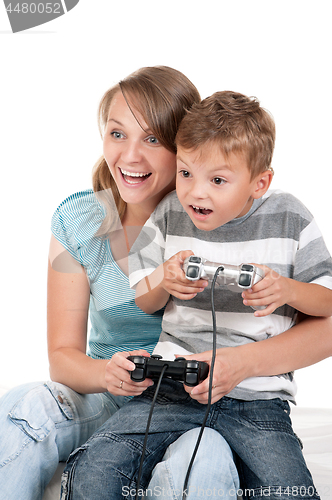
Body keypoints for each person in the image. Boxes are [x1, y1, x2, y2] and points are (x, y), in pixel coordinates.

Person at [60, 90, 332, 500]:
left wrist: (287, 290)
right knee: (95, 468)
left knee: (289, 490)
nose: (195, 193)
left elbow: (327, 302)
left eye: (217, 180)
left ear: (261, 182)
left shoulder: (290, 217)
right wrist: (163, 282)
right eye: (186, 173)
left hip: (256, 401)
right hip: (170, 389)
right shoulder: (170, 213)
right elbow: (142, 299)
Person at [0, 66, 238, 500]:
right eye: (117, 134)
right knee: (24, 407)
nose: (130, 157)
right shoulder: (76, 220)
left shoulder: (218, 220)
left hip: (191, 410)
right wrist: (107, 374)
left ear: (186, 148)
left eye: (151, 139)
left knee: (204, 462)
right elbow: (62, 358)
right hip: (106, 402)